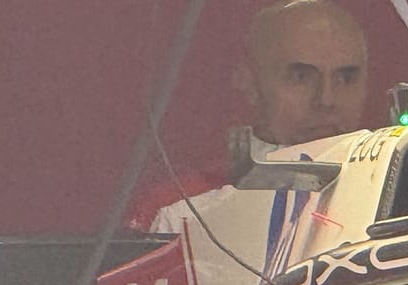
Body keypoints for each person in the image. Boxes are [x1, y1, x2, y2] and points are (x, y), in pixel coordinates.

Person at [128, 0, 369, 232]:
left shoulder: (387, 197)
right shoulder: (181, 210)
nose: (326, 99)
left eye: (345, 78)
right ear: (248, 81)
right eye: (301, 77)